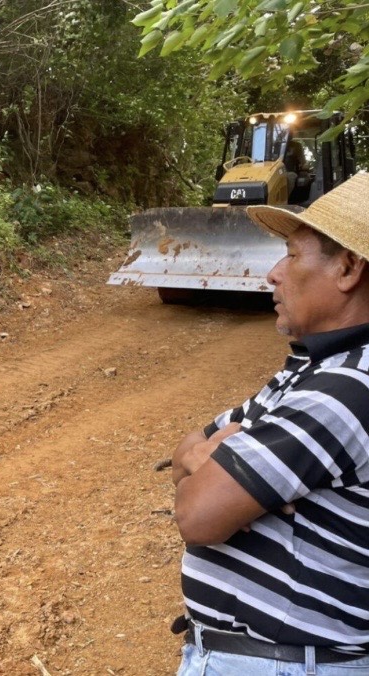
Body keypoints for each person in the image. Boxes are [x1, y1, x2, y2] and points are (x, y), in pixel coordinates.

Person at [171, 172, 369, 675]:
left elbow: (197, 516)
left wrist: (213, 459)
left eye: (292, 255)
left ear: (348, 268)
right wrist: (212, 459)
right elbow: (184, 451)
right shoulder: (313, 370)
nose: (273, 274)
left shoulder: (345, 391)